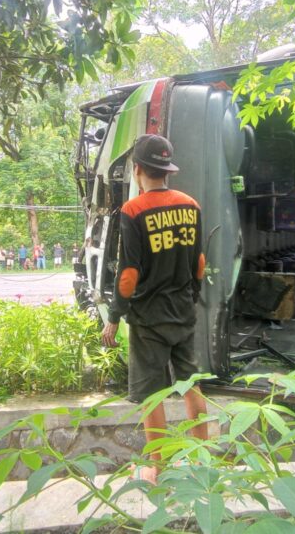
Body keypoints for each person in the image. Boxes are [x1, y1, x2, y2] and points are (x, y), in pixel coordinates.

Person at [101, 135, 208, 485]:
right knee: (191, 384)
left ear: (137, 170)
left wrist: (115, 317)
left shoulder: (133, 211)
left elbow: (129, 274)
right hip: (183, 312)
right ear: (167, 171)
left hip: (149, 320)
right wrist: (190, 298)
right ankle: (203, 461)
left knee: (152, 395)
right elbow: (199, 263)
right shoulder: (190, 205)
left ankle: (158, 471)